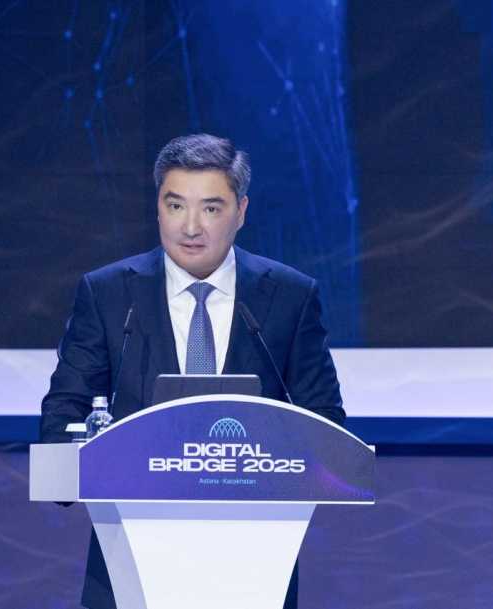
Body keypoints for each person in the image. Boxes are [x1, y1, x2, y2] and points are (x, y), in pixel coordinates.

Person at [40, 133, 345, 609]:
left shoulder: (289, 296)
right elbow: (63, 417)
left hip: (253, 566)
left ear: (241, 212)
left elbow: (326, 425)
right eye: (175, 205)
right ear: (158, 208)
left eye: (211, 208)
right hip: (129, 566)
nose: (190, 226)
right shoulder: (108, 294)